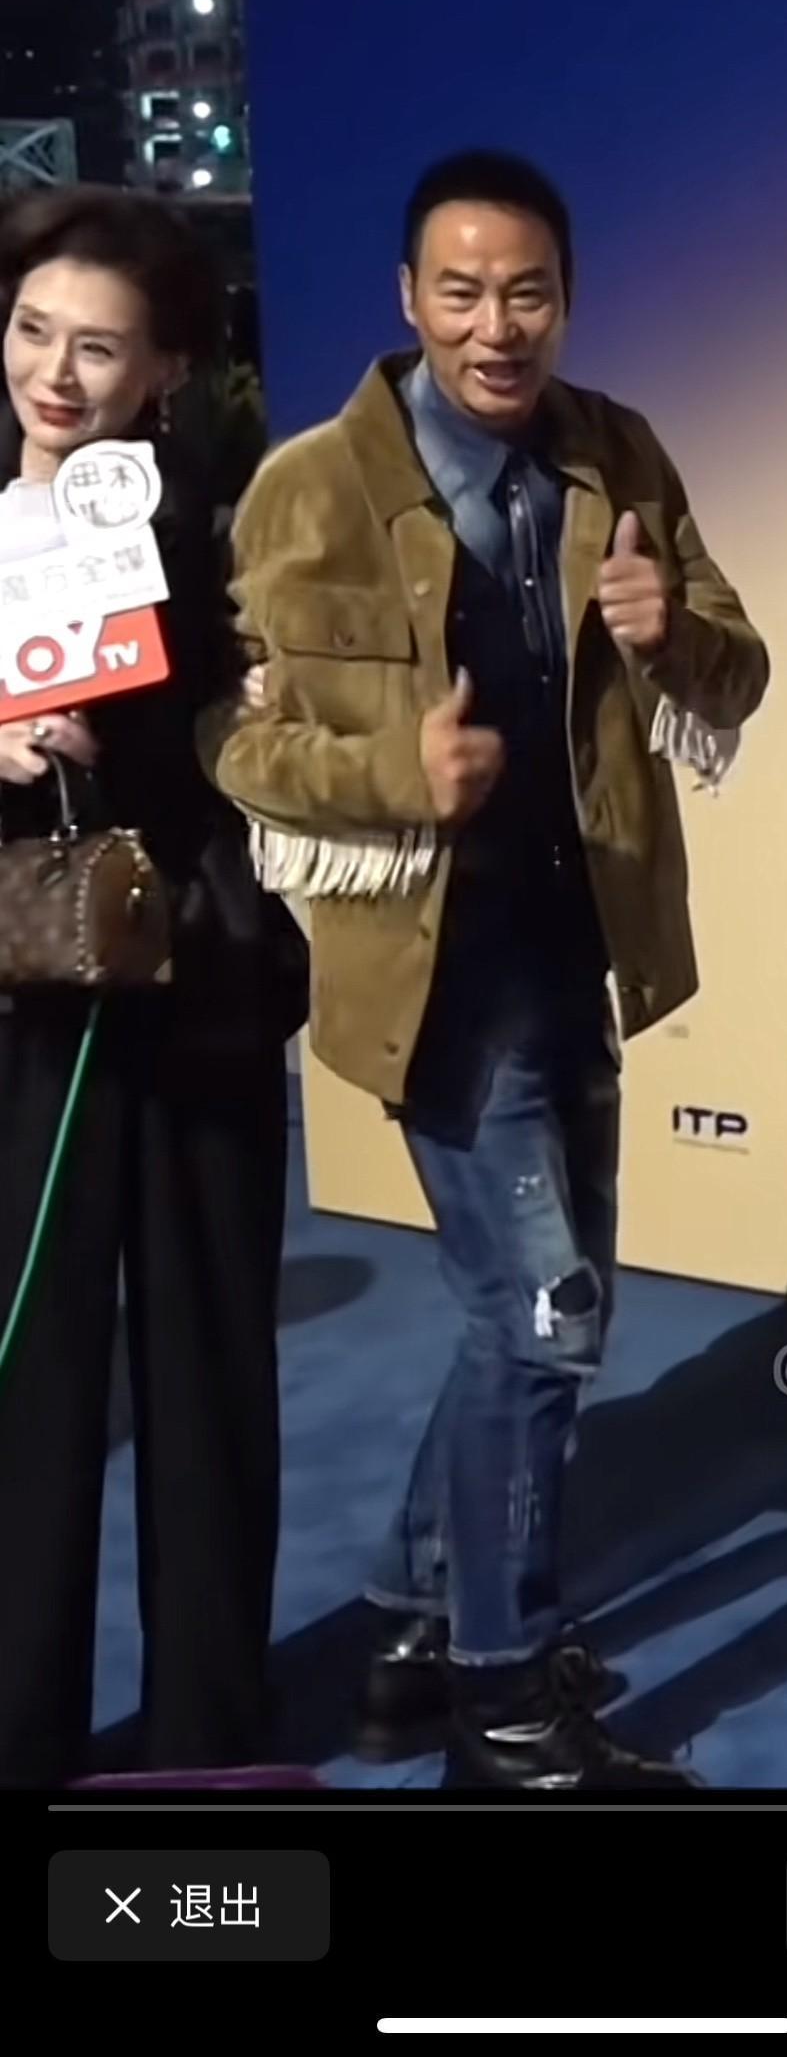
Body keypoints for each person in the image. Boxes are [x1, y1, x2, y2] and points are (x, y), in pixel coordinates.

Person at [207, 149, 768, 1790]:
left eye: (526, 292)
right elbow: (236, 745)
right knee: (541, 1322)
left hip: (579, 951)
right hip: (436, 980)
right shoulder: (312, 488)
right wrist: (402, 774)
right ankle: (505, 1703)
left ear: (565, 300)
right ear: (409, 299)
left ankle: (405, 1631)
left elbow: (735, 671)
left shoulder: (620, 452)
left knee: (528, 1321)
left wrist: (671, 636)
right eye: (459, 292)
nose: (494, 325)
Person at [0, 188, 307, 1788]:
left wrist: (216, 702)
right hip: (22, 1014)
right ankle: (18, 1728)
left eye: (98, 349)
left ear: (167, 368)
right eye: (32, 331)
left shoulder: (226, 546)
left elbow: (269, 770)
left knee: (206, 1373)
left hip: (195, 988)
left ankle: (208, 1727)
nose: (55, 376)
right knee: (33, 1382)